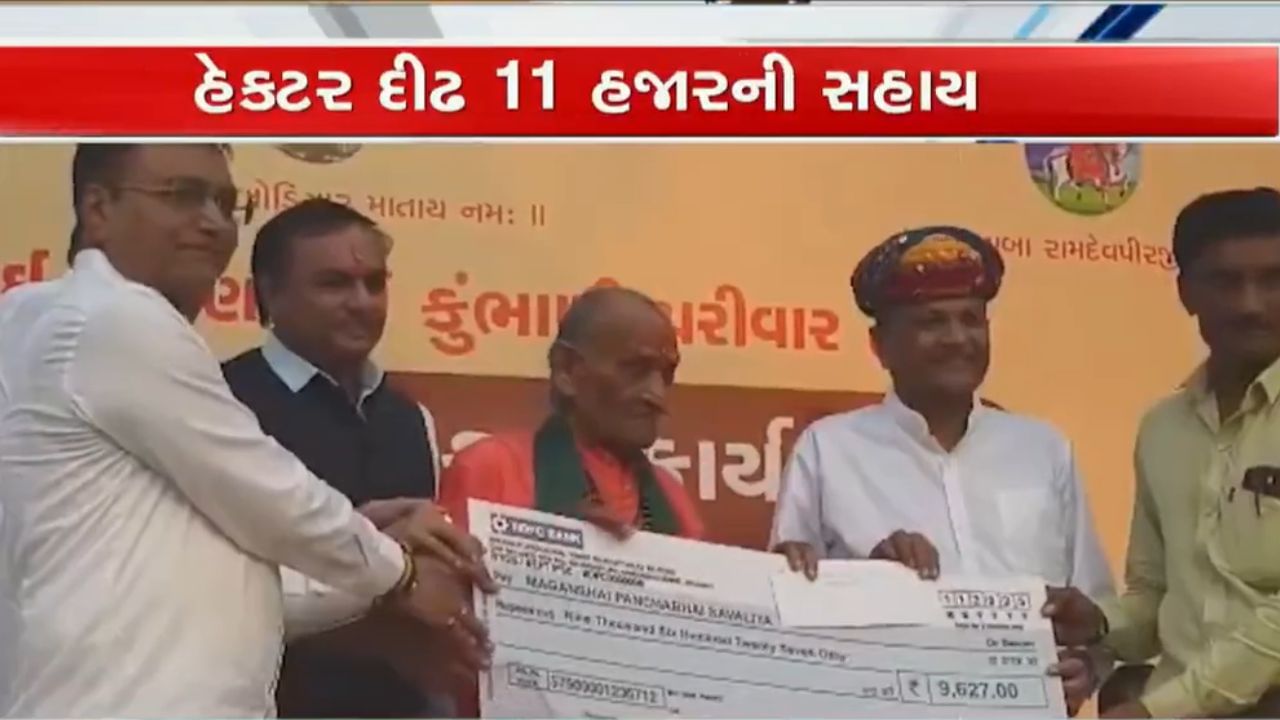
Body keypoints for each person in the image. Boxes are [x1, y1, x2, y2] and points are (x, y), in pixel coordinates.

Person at [0, 144, 492, 717]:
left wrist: (370, 544)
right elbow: (272, 498)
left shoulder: (35, 316)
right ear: (99, 207)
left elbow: (231, 588)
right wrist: (400, 571)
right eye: (182, 196)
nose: (213, 221)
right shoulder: (117, 319)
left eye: (226, 202)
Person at [770, 225, 1114, 714]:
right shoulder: (828, 449)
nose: (958, 339)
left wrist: (1089, 664)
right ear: (880, 345)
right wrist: (867, 582)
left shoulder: (1043, 449)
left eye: (972, 320)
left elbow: (1098, 613)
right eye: (932, 322)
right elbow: (790, 619)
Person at [1044, 188, 1280, 719]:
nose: (1250, 304)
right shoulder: (1163, 428)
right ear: (1186, 292)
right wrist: (1099, 621)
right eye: (1226, 282)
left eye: (1273, 280)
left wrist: (1158, 710)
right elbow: (1155, 597)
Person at [222, 198, 449, 718]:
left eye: (374, 283)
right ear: (270, 293)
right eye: (334, 284)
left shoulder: (411, 418)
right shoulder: (221, 403)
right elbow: (216, 589)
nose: (361, 302)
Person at [438, 286, 704, 541]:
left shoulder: (672, 498)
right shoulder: (492, 469)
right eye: (635, 370)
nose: (657, 394)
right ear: (566, 370)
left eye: (666, 374)